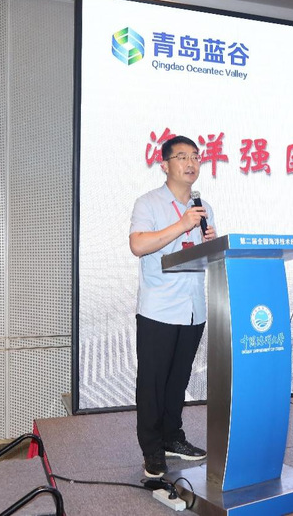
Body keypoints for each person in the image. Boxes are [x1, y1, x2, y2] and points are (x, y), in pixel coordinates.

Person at [129, 135, 216, 478]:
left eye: (195, 156)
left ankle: (172, 437)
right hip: (160, 309)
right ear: (165, 165)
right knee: (153, 383)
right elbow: (138, 245)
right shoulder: (148, 203)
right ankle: (152, 449)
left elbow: (202, 255)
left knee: (178, 380)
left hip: (194, 308)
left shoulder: (203, 207)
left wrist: (211, 243)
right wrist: (182, 225)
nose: (191, 163)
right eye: (182, 157)